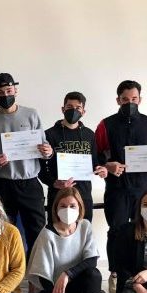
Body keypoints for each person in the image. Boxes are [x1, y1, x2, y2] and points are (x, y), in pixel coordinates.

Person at [0, 73, 52, 293]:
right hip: (3, 184)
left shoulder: (31, 114)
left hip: (30, 182)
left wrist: (48, 151)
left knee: (37, 236)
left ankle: (35, 289)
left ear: (15, 90)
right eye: (0, 93)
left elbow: (44, 148)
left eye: (9, 91)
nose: (5, 95)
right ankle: (3, 287)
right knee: (0, 236)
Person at [95, 80, 147, 293]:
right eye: (125, 99)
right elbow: (96, 154)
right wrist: (107, 165)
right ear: (118, 100)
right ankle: (115, 274)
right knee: (117, 231)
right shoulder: (106, 124)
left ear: (140, 99)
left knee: (146, 231)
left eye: (134, 99)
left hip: (144, 189)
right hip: (117, 188)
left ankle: (142, 274)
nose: (130, 103)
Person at [27, 187, 100, 293]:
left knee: (94, 275)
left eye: (72, 206)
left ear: (80, 207)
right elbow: (41, 276)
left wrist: (67, 274)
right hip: (49, 289)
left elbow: (92, 260)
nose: (68, 210)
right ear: (56, 208)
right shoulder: (47, 233)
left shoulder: (85, 226)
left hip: (71, 283)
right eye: (63, 206)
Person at [39, 91, 100, 222]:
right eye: (69, 107)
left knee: (84, 231)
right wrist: (54, 183)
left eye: (78, 108)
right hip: (58, 195)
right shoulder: (49, 134)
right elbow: (40, 168)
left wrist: (102, 169)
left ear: (83, 111)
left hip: (84, 196)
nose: (74, 110)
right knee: (57, 231)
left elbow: (95, 162)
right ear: (63, 109)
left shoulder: (89, 134)